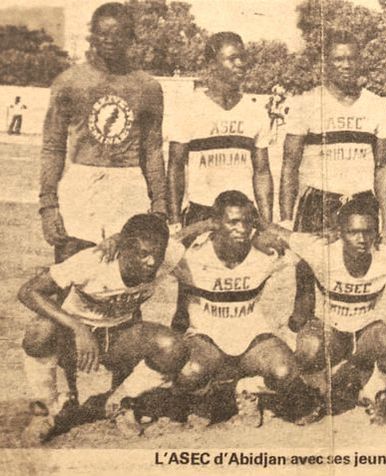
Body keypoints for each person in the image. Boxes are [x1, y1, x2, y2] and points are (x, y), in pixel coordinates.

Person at [260, 195, 386, 425]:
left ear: (377, 233)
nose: (361, 239)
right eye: (353, 232)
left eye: (368, 232)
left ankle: (375, 391)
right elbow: (274, 230)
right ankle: (318, 389)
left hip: (367, 332)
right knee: (309, 346)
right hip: (330, 330)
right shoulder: (319, 248)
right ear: (339, 232)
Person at [17, 214, 208, 445]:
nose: (150, 262)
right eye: (143, 254)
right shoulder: (93, 262)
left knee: (173, 346)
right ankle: (45, 411)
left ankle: (119, 401)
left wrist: (209, 223)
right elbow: (28, 291)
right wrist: (77, 328)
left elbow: (181, 236)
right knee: (39, 330)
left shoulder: (167, 254)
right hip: (73, 339)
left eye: (156, 255)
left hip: (119, 335)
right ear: (122, 249)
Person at [281, 30, 386, 322]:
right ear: (325, 63)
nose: (345, 65)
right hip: (318, 201)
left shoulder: (378, 106)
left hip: (361, 204)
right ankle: (306, 358)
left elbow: (383, 166)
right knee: (305, 296)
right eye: (337, 59)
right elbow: (289, 165)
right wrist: (285, 219)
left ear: (361, 62)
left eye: (351, 58)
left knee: (358, 286)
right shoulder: (306, 103)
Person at [40, 2, 167, 264]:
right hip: (81, 183)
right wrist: (48, 205)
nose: (109, 40)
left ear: (131, 37)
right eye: (102, 33)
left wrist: (160, 204)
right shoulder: (69, 82)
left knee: (126, 275)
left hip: (127, 184)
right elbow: (53, 147)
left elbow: (152, 150)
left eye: (118, 33)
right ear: (92, 36)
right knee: (71, 271)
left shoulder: (148, 87)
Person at [170, 191, 307, 427]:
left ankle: (247, 389)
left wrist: (263, 228)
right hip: (206, 339)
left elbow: (306, 248)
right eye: (232, 222)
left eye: (246, 222)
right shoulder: (191, 256)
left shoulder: (265, 254)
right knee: (190, 372)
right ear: (215, 223)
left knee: (285, 372)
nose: (241, 229)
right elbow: (159, 246)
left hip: (252, 339)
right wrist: (201, 226)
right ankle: (203, 396)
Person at [167, 32, 273, 232]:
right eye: (232, 58)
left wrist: (267, 225)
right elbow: (175, 168)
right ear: (212, 64)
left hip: (244, 214)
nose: (240, 64)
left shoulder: (255, 111)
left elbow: (262, 172)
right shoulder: (189, 108)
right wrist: (174, 222)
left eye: (243, 57)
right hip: (202, 214)